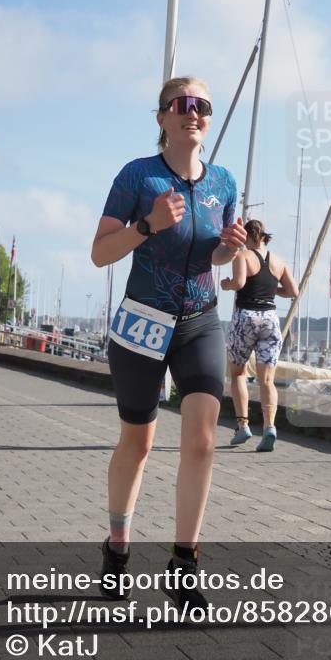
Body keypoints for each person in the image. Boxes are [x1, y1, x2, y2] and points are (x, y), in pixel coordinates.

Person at [90, 76, 247, 608]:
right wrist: (148, 226)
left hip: (201, 319)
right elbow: (100, 253)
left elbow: (218, 260)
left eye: (202, 105)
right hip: (143, 320)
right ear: (162, 118)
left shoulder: (223, 181)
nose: (193, 112)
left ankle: (184, 564)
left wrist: (229, 249)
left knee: (202, 440)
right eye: (182, 104)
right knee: (138, 444)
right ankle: (116, 547)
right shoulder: (138, 175)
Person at [221, 219, 299, 451]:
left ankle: (243, 425)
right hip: (270, 319)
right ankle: (270, 427)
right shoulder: (279, 261)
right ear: (264, 236)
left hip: (246, 316)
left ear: (246, 237)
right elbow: (293, 291)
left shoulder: (242, 256)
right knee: (267, 380)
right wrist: (271, 288)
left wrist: (226, 284)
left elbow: (239, 282)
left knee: (238, 374)